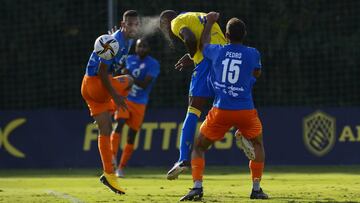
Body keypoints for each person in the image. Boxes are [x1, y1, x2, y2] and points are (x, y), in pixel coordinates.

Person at [179, 12, 269, 201]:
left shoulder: (217, 50)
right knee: (258, 144)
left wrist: (210, 23)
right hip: (245, 110)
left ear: (226, 36)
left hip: (221, 110)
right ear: (244, 35)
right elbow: (257, 73)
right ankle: (256, 189)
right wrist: (248, 79)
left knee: (198, 147)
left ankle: (197, 187)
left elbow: (202, 46)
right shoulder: (253, 53)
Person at [159, 10, 226, 180]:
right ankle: (243, 133)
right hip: (224, 58)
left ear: (166, 22)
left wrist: (193, 55)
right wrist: (193, 56)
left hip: (206, 61)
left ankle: (183, 159)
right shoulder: (195, 16)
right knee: (229, 101)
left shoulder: (176, 22)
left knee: (193, 110)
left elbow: (189, 38)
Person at [81, 10, 139, 194]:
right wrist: (114, 95)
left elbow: (110, 67)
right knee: (129, 80)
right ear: (123, 24)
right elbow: (102, 72)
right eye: (130, 24)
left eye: (136, 24)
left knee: (105, 130)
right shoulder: (115, 41)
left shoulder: (126, 41)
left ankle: (109, 176)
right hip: (97, 85)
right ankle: (115, 107)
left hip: (88, 88)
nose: (134, 27)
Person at [110, 38, 160, 177]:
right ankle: (112, 159)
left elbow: (144, 84)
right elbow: (119, 77)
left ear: (148, 48)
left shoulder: (153, 64)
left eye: (144, 46)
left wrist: (129, 74)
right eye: (139, 46)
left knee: (131, 137)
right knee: (118, 125)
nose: (142, 49)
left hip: (140, 103)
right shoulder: (129, 59)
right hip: (126, 99)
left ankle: (121, 167)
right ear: (136, 48)